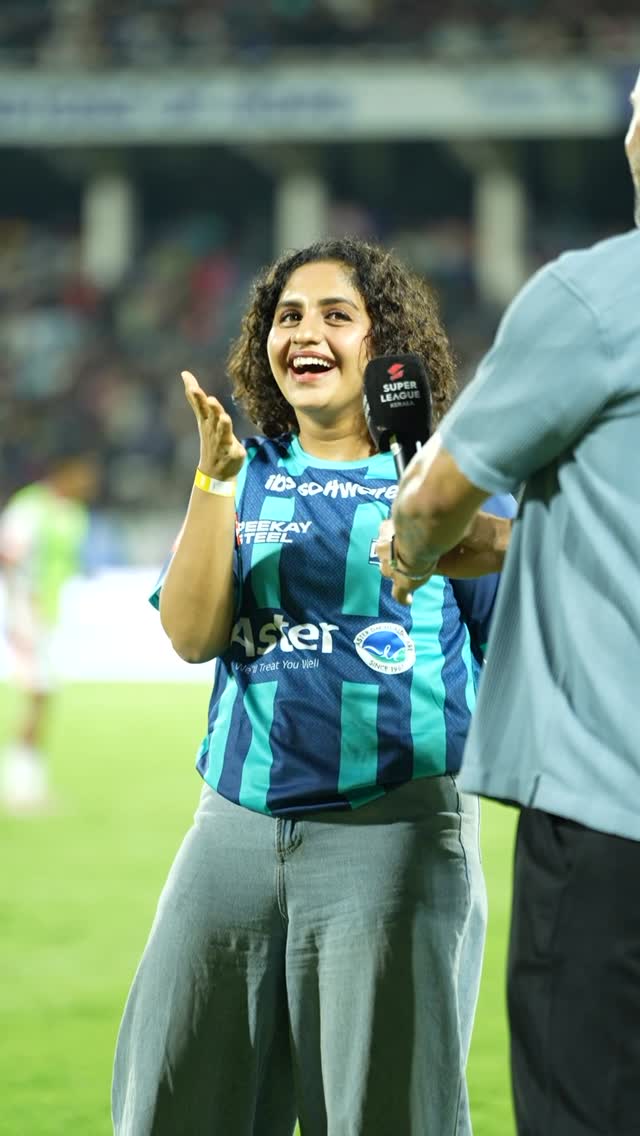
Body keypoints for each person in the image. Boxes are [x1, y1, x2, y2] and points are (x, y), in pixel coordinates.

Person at [112, 236, 515, 1136]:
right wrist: (213, 480)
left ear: (383, 343)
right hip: (233, 830)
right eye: (289, 315)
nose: (307, 332)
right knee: (175, 1101)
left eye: (338, 315)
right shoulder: (246, 474)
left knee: (383, 1114)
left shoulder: (448, 487)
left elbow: (513, 653)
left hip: (394, 834)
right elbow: (190, 636)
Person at [379, 70, 640, 1136]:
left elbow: (434, 497)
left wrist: (411, 546)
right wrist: (495, 546)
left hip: (609, 813)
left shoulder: (596, 298)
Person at [0, 441, 99, 811]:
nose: (90, 481)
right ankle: (20, 787)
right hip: (27, 616)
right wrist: (21, 610)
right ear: (65, 471)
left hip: (51, 619)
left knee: (42, 699)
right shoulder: (30, 508)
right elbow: (9, 558)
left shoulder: (73, 513)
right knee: (37, 698)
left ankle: (28, 784)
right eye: (83, 473)